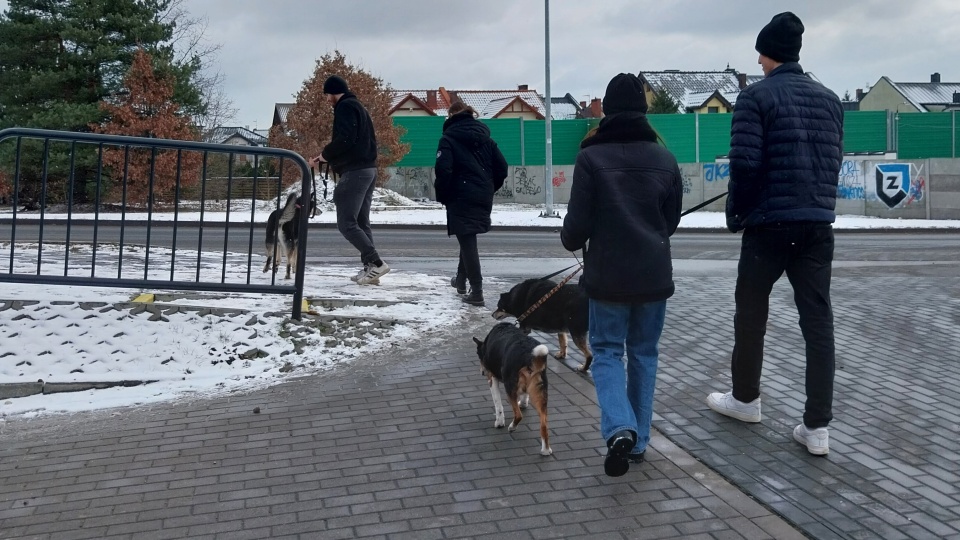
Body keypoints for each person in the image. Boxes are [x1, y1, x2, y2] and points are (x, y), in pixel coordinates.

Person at [705, 12, 844, 457]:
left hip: (769, 227)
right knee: (818, 324)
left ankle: (745, 400)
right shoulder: (830, 100)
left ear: (768, 54)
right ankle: (817, 427)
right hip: (817, 227)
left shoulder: (755, 98)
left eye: (760, 54)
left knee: (750, 316)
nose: (759, 62)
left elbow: (745, 166)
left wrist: (737, 213)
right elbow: (831, 163)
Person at [561, 73, 683, 477]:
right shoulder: (664, 159)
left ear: (607, 111)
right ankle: (639, 442)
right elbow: (670, 222)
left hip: (608, 277)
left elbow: (575, 229)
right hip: (653, 276)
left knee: (608, 353)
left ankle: (620, 428)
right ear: (644, 112)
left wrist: (576, 236)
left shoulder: (591, 158)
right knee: (645, 355)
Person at [309, 75, 389, 286]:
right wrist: (326, 157)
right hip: (369, 169)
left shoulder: (345, 107)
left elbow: (345, 138)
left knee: (346, 223)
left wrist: (326, 155)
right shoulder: (359, 107)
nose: (328, 100)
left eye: (328, 95)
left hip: (355, 172)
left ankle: (377, 263)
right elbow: (358, 139)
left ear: (335, 92)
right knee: (362, 223)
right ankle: (371, 271)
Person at [434, 101, 508, 306]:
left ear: (450, 116)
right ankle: (460, 281)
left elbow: (443, 170)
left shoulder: (448, 139)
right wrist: (488, 187)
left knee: (467, 238)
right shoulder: (487, 140)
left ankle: (476, 291)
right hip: (482, 192)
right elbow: (502, 168)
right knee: (466, 235)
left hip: (460, 194)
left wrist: (443, 194)